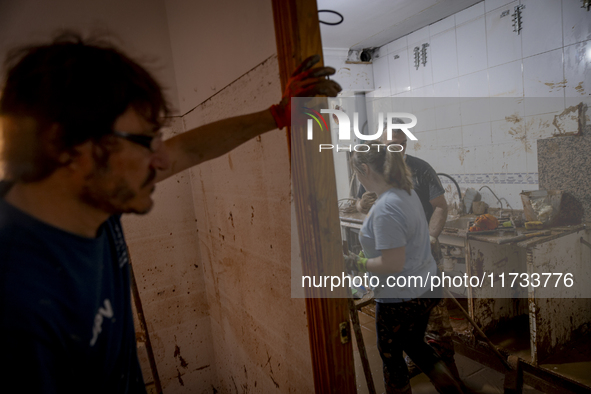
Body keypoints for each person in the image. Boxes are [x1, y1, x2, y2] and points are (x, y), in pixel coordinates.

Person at [0, 32, 341, 393]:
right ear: (64, 146)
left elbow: (188, 150)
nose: (161, 160)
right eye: (145, 142)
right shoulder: (17, 300)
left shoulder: (91, 197)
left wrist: (278, 114)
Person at [344, 144, 463, 394]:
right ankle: (453, 390)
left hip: (400, 299)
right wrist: (365, 210)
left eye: (358, 174)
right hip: (427, 289)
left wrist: (359, 262)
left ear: (365, 169)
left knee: (392, 358)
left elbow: (392, 264)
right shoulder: (404, 192)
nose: (359, 180)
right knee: (415, 344)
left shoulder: (386, 208)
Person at [384, 128, 459, 381]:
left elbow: (440, 206)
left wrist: (430, 237)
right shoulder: (374, 169)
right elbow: (363, 202)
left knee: (435, 319)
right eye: (393, 145)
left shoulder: (421, 169)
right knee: (405, 324)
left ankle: (448, 365)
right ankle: (417, 358)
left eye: (402, 144)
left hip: (423, 256)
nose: (399, 149)